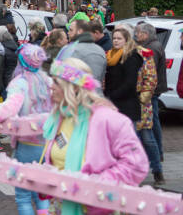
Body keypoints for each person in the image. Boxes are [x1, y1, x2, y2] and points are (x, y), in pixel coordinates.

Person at [41, 56, 149, 214]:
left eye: (56, 82)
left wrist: (92, 186)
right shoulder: (60, 116)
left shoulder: (108, 119)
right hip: (61, 207)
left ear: (74, 88)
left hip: (95, 209)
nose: (51, 87)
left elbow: (136, 165)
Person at [0, 44, 52, 215]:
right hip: (47, 146)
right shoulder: (48, 81)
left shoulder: (20, 83)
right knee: (42, 196)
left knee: (23, 196)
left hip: (26, 145)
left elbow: (7, 109)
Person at [106, 25, 164, 185]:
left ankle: (157, 170)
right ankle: (132, 170)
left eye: (119, 37)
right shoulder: (111, 55)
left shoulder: (143, 54)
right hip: (122, 102)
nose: (116, 40)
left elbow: (151, 76)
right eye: (114, 37)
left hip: (139, 101)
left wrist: (144, 95)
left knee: (147, 137)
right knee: (130, 138)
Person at [134, 21, 167, 164]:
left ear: (145, 34)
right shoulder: (154, 45)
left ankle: (157, 154)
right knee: (153, 121)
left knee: (152, 123)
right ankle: (157, 153)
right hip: (155, 89)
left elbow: (148, 72)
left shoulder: (150, 49)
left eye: (138, 33)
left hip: (151, 91)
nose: (136, 35)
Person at [62, 16, 106, 85]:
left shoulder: (71, 49)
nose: (68, 33)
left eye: (71, 30)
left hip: (81, 94)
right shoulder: (100, 50)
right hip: (93, 93)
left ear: (80, 31)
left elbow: (93, 82)